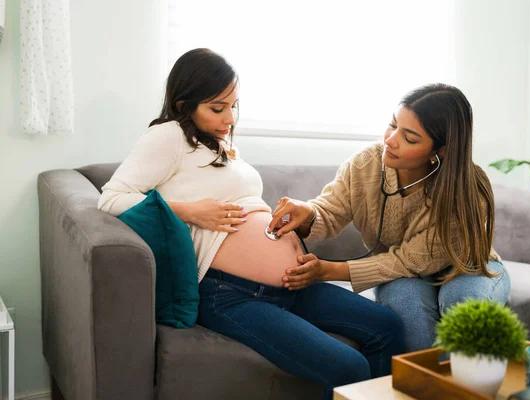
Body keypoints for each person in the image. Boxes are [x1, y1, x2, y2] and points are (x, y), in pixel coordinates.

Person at [97, 48, 404, 399]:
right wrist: (190, 211)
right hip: (230, 295)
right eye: (217, 108)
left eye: (234, 106)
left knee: (387, 326)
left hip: (292, 284)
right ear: (184, 106)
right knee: (349, 366)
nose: (229, 117)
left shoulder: (219, 144)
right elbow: (111, 199)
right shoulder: (169, 136)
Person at [268, 83, 511, 353]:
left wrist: (327, 271)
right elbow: (330, 210)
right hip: (403, 275)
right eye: (392, 125)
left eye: (409, 138)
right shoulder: (365, 164)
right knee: (411, 319)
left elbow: (410, 260)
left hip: (466, 266)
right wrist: (308, 212)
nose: (390, 140)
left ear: (440, 151)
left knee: (463, 306)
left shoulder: (467, 189)